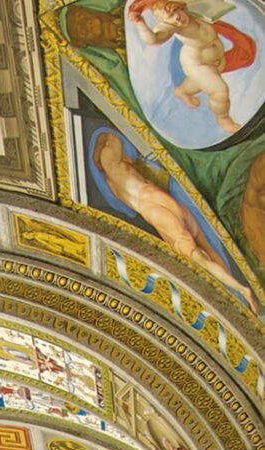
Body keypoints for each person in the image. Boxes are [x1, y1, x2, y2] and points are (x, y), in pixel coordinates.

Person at [93, 130, 259, 312]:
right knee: (206, 248)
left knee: (198, 257)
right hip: (163, 201)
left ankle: (240, 290)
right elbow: (113, 140)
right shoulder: (120, 166)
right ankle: (236, 291)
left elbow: (112, 140)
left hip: (156, 211)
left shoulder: (114, 177)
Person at [127, 0, 254, 135]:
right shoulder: (172, 27)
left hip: (214, 61)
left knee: (201, 82)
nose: (176, 18)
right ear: (164, 22)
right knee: (220, 92)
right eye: (170, 18)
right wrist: (140, 24)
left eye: (174, 11)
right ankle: (223, 119)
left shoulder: (194, 12)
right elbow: (153, 39)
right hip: (198, 64)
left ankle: (182, 91)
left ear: (179, 7)